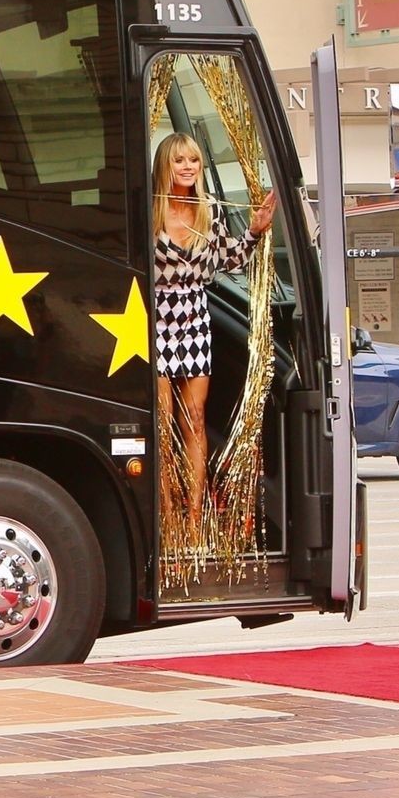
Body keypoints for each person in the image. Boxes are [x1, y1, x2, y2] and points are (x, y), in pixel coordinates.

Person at [152, 132, 276, 535]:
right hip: (154, 319)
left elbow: (230, 260)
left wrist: (254, 232)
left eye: (194, 160)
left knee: (195, 419)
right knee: (161, 423)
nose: (188, 167)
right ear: (165, 165)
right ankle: (167, 519)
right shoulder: (149, 212)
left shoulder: (210, 212)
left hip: (195, 319)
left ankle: (193, 519)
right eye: (179, 160)